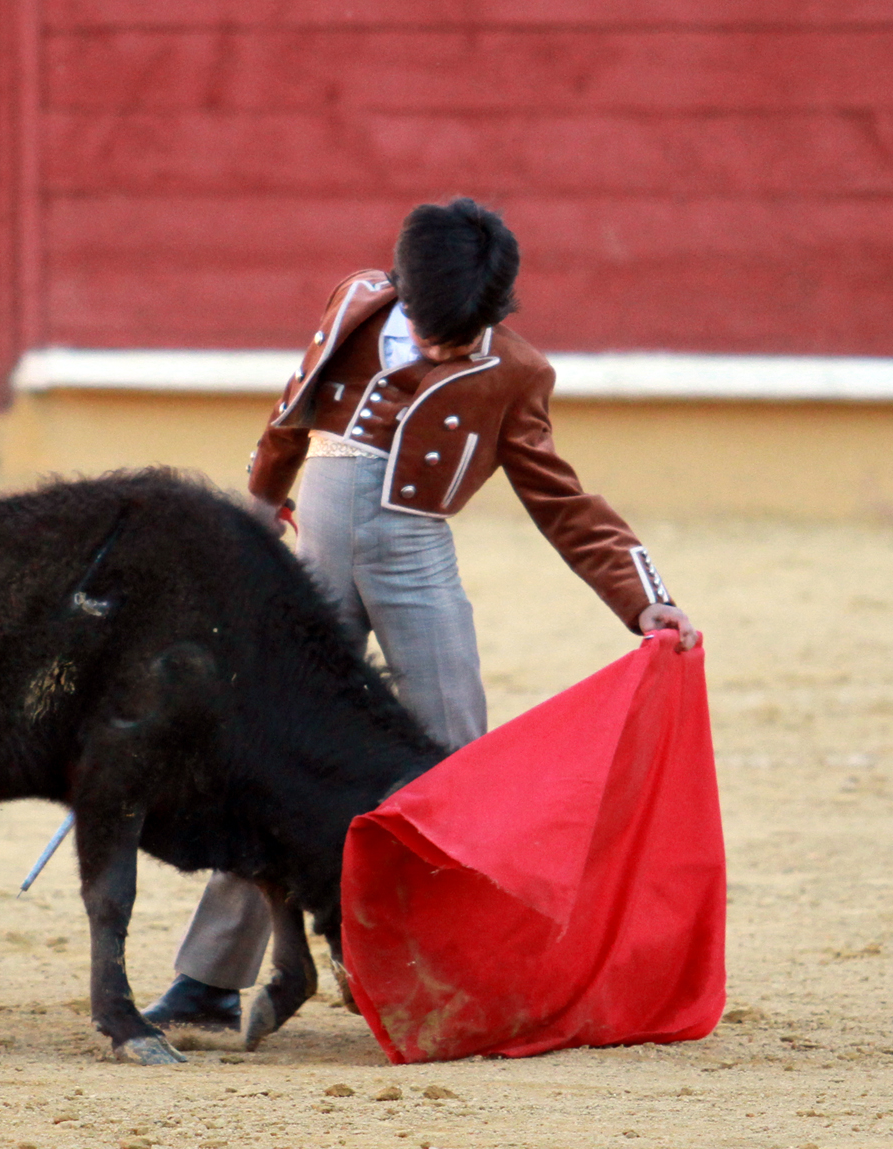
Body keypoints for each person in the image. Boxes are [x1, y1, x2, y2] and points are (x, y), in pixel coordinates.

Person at [142, 198, 699, 1031]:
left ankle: (458, 971)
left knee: (455, 759)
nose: (442, 347)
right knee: (273, 748)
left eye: (460, 336)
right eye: (431, 328)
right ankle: (209, 982)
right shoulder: (358, 301)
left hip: (414, 559)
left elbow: (562, 500)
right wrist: (259, 504)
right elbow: (292, 408)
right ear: (403, 289)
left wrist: (643, 595)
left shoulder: (515, 371)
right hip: (319, 551)